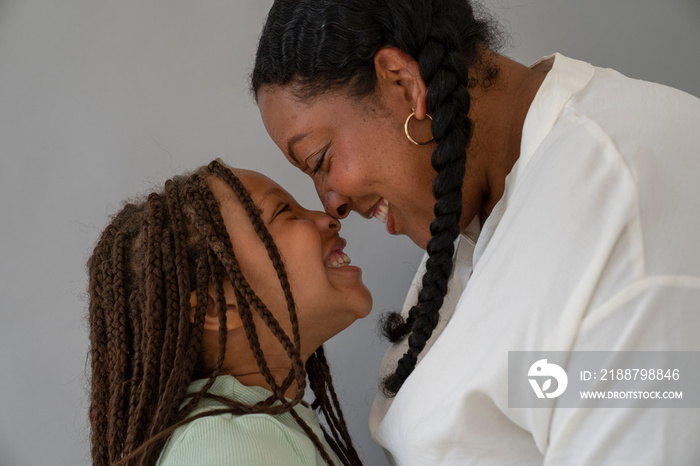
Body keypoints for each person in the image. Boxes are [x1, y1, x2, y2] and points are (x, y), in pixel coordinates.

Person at [251, 0, 700, 464]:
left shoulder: (620, 200)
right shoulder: (475, 207)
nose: (332, 203)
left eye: (320, 160)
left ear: (404, 84)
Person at [87, 159, 371, 465]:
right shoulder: (231, 446)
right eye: (284, 212)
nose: (327, 218)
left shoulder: (251, 430)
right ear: (213, 308)